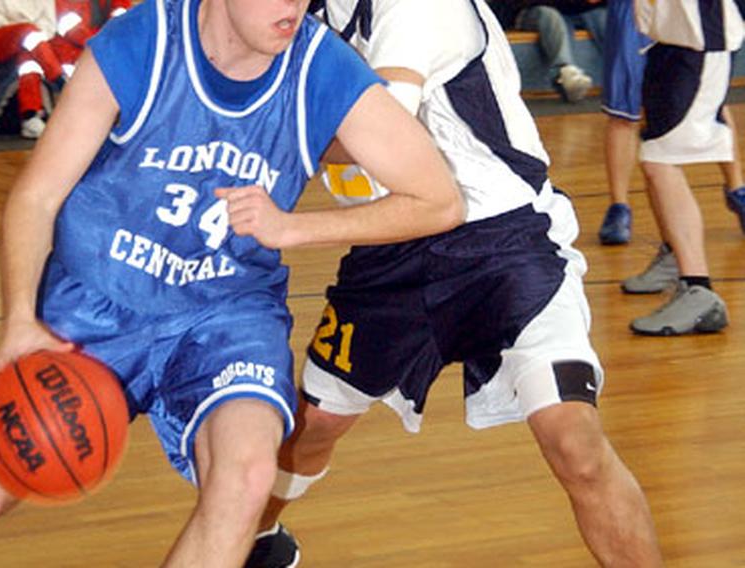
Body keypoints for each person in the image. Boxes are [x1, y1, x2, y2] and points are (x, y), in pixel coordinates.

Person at [0, 0, 465, 567]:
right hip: (97, 300)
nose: (294, 8)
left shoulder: (321, 68)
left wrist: (294, 227)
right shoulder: (142, 43)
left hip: (227, 315)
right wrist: (20, 323)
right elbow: (38, 194)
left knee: (249, 477)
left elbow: (438, 200)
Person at [244, 1, 663, 567]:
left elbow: (372, 140)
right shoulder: (298, 14)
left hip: (505, 242)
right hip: (388, 246)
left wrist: (260, 127)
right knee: (312, 425)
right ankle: (259, 542)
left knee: (575, 441)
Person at [622, 0, 744, 335]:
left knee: (661, 162)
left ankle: (698, 287)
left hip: (699, 44)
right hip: (670, 40)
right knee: (654, 156)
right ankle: (676, 254)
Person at [597, 0, 745, 245]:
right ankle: (619, 206)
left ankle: (736, 187)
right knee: (623, 107)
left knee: (709, 99)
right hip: (634, 9)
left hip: (689, 14)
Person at [0, 0, 65, 138]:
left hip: (30, 43)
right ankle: (60, 80)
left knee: (28, 57)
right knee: (28, 33)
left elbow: (49, 26)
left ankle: (30, 116)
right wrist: (18, 26)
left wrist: (25, 28)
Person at [490, 0, 607, 102]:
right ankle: (565, 73)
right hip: (529, 10)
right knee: (550, 16)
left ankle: (621, 76)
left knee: (605, 17)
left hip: (578, 9)